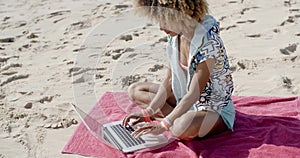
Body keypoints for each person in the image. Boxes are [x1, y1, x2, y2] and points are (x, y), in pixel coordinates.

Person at [122, 0, 235, 140]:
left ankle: (174, 118)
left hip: (212, 108)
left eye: (165, 20)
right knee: (135, 90)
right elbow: (169, 80)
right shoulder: (175, 35)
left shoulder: (208, 44)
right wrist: (148, 112)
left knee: (181, 127)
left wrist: (164, 124)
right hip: (184, 97)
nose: (161, 27)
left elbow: (194, 93)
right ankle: (175, 116)